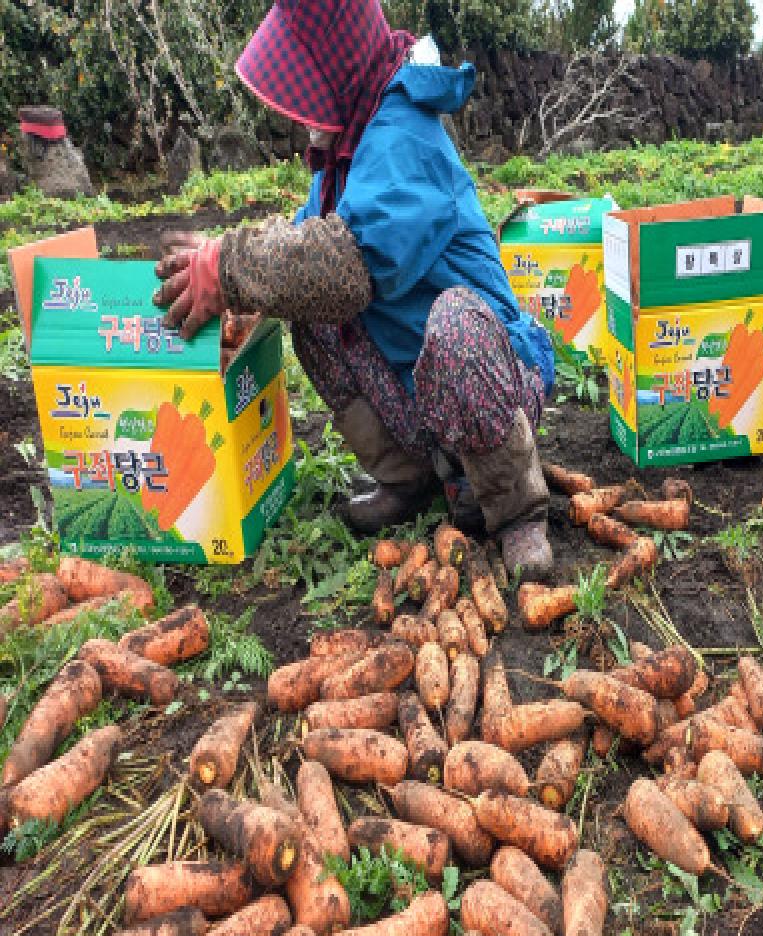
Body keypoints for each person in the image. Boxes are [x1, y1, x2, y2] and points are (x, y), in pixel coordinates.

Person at [153, 0, 556, 576]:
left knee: (457, 325)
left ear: (339, 69)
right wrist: (219, 260)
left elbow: (345, 262)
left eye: (306, 85)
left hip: (495, 375)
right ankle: (409, 478)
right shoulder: (346, 148)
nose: (299, 114)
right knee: (307, 310)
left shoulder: (404, 134)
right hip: (420, 382)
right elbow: (302, 245)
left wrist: (231, 268)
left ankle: (515, 508)